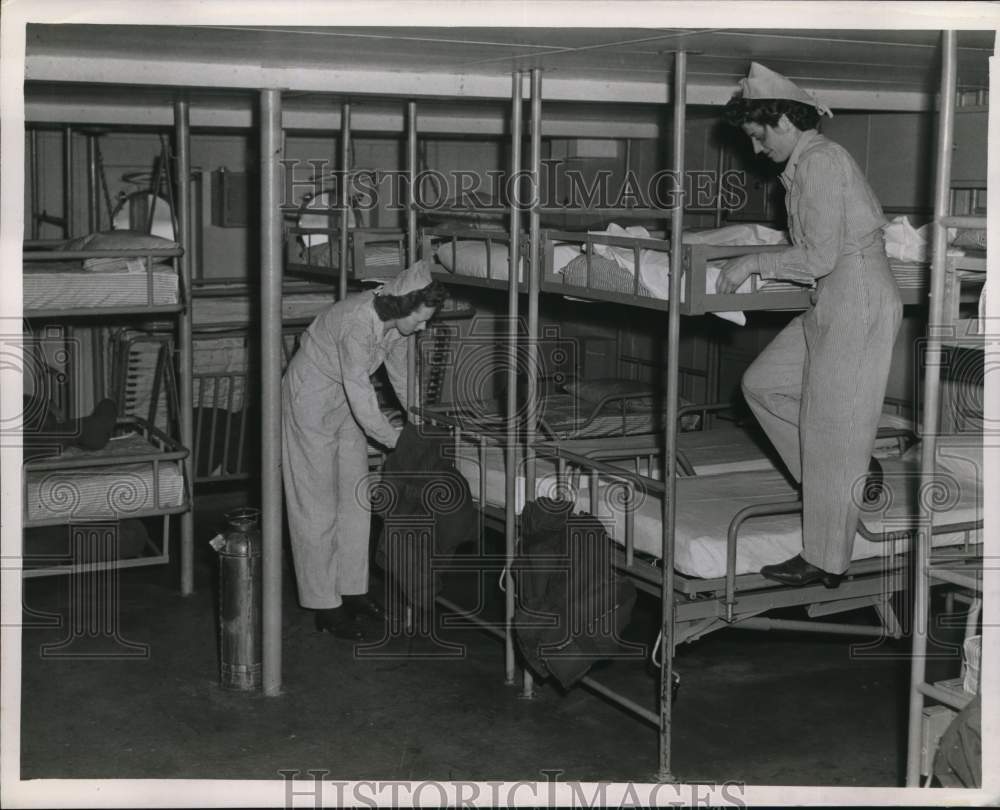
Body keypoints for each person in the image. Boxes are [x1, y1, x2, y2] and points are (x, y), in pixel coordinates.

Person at [717, 62, 902, 588]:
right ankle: (846, 473)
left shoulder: (821, 162)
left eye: (757, 135)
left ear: (781, 121)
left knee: (830, 425)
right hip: (833, 298)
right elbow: (813, 251)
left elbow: (818, 255)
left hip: (857, 298)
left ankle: (825, 560)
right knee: (762, 385)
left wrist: (753, 263)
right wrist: (758, 258)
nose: (754, 150)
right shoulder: (803, 166)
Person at [281, 262, 448, 639]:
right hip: (310, 400)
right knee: (316, 504)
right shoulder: (357, 320)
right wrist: (399, 441)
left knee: (356, 500)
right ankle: (325, 605)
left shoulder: (399, 325)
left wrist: (419, 423)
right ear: (404, 306)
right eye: (421, 320)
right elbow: (360, 392)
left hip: (344, 405)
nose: (423, 328)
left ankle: (352, 590)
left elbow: (404, 379)